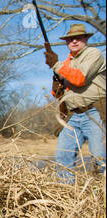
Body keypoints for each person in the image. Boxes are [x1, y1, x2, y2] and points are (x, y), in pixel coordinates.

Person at [44, 24, 106, 183]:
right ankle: (66, 194)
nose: (74, 41)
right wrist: (56, 86)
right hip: (72, 116)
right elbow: (59, 93)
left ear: (86, 39)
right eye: (71, 38)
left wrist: (56, 65)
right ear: (67, 42)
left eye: (79, 37)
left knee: (100, 158)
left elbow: (80, 79)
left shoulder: (94, 54)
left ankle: (101, 196)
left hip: (94, 113)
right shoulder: (66, 63)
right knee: (63, 157)